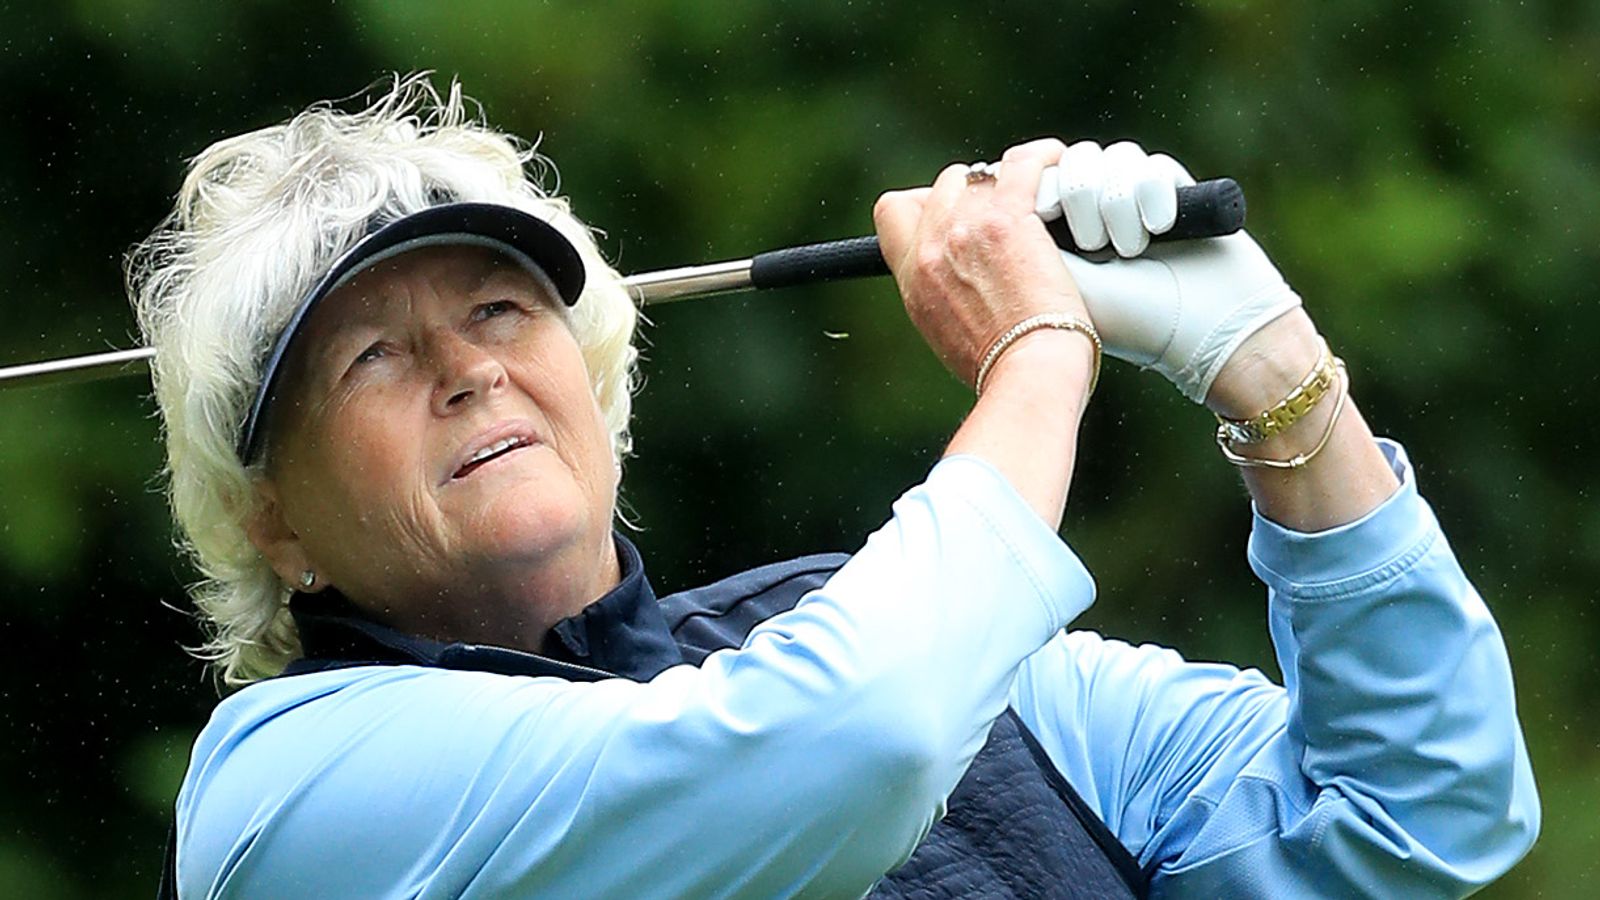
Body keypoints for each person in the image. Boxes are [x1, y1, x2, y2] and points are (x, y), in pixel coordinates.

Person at [135, 78, 1538, 898]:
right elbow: (851, 742)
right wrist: (1038, 352)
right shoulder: (283, 794)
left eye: (503, 311)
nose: (465, 369)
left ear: (594, 380)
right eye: (372, 356)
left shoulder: (968, 667)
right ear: (274, 523)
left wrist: (1270, 369)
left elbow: (1420, 816)